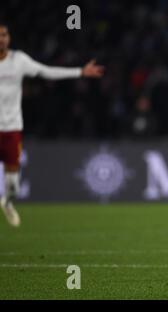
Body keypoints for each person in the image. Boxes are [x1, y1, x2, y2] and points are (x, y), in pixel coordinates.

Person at [0, 21, 104, 227]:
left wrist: (79, 72)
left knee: (13, 186)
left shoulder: (18, 60)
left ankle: (7, 202)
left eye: (4, 34)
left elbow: (46, 71)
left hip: (11, 129)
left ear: (9, 38)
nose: (1, 38)